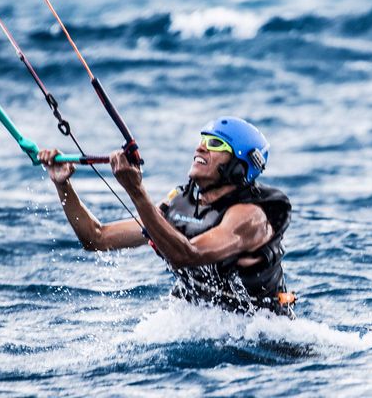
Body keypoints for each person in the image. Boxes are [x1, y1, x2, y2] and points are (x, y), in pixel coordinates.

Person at [38, 116, 295, 317]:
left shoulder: (250, 218)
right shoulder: (180, 204)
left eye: (215, 144)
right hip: (205, 325)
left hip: (263, 333)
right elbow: (96, 238)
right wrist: (63, 185)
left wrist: (136, 191)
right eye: (202, 140)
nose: (200, 148)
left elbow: (187, 255)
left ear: (240, 166)